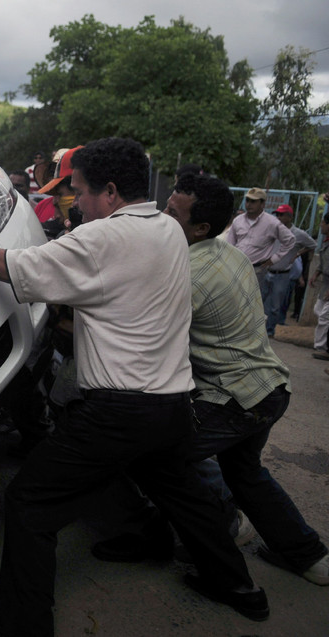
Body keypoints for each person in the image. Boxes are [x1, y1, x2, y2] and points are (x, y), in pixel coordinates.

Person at [0, 138, 266, 637]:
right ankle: (239, 589)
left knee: (30, 504)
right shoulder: (167, 227)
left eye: (79, 192)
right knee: (185, 497)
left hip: (119, 412)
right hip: (171, 405)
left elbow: (8, 267)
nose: (75, 203)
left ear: (111, 191)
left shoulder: (101, 240)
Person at [93, 174, 329, 587]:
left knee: (151, 458)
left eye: (171, 213)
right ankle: (309, 557)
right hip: (270, 389)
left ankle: (166, 540)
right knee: (245, 474)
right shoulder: (231, 254)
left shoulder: (185, 273)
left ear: (201, 228)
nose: (160, 216)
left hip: (234, 399)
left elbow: (144, 335)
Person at [225, 187, 295, 293]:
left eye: (253, 201)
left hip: (257, 269)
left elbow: (290, 240)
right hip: (236, 266)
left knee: (250, 299)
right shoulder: (238, 220)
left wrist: (274, 259)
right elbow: (230, 243)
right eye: (247, 200)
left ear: (262, 204)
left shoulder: (271, 222)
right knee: (232, 296)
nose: (248, 204)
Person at [264, 204, 316, 334]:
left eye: (281, 215)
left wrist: (297, 253)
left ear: (289, 217)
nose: (279, 217)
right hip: (266, 271)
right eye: (277, 215)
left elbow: (313, 245)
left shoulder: (298, 234)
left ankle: (270, 330)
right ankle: (259, 329)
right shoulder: (273, 230)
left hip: (282, 274)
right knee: (261, 302)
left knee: (275, 306)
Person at [311, 212, 329, 360]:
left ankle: (322, 347)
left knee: (324, 316)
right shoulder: (326, 242)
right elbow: (324, 263)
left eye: (323, 223)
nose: (321, 225)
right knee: (318, 310)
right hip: (325, 283)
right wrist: (316, 273)